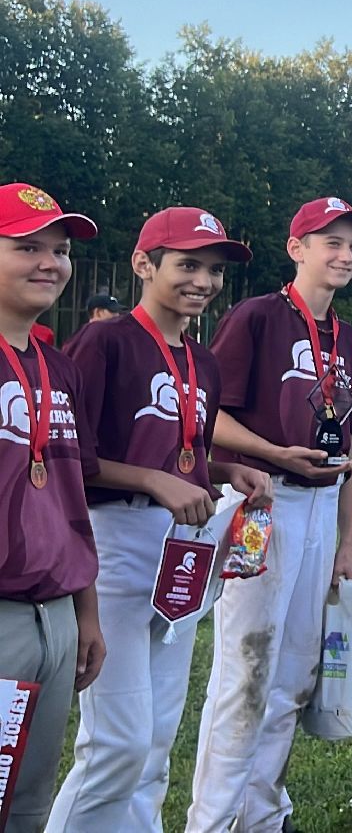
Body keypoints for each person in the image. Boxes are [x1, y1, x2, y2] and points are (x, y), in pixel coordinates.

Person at [49, 207, 273, 830]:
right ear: (144, 264)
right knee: (115, 742)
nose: (203, 280)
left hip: (180, 549)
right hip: (116, 541)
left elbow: (185, 456)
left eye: (213, 270)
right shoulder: (106, 341)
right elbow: (71, 458)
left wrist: (229, 472)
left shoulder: (203, 361)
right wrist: (153, 479)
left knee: (152, 741)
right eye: (187, 265)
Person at [189, 196, 352, 833]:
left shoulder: (348, 337)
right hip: (263, 502)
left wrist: (348, 540)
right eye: (332, 242)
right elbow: (209, 414)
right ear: (296, 249)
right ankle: (213, 820)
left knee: (294, 672)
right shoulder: (258, 318)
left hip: (323, 510)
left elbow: (351, 443)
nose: (346, 255)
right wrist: (273, 452)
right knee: (246, 666)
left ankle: (262, 813)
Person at [0, 182, 106, 833]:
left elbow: (73, 497)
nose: (50, 263)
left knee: (28, 805)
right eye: (27, 246)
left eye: (61, 251)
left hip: (56, 617)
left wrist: (86, 616)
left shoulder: (55, 365)